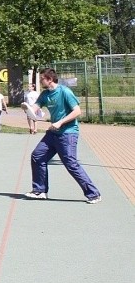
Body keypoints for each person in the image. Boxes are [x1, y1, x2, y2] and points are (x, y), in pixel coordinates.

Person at [24, 68, 101, 204]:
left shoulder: (65, 91)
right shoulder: (45, 94)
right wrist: (27, 108)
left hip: (68, 133)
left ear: (50, 79)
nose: (40, 80)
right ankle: (40, 191)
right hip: (52, 134)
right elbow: (35, 108)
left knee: (71, 164)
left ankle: (93, 194)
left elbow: (77, 111)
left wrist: (60, 122)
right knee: (37, 156)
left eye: (42, 78)